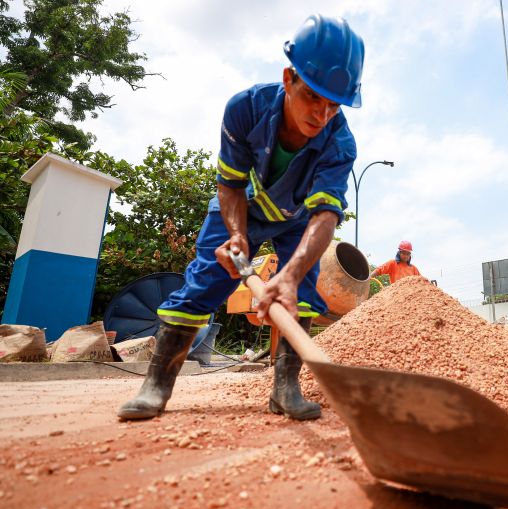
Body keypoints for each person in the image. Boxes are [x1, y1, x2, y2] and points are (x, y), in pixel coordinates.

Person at [118, 14, 365, 422]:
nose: (321, 115)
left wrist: (288, 274)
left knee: (299, 291)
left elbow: (325, 216)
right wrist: (237, 235)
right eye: (313, 98)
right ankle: (156, 386)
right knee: (204, 283)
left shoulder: (340, 143)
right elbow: (229, 183)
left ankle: (286, 389)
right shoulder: (245, 109)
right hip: (241, 207)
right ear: (289, 78)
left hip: (298, 219)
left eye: (333, 105)